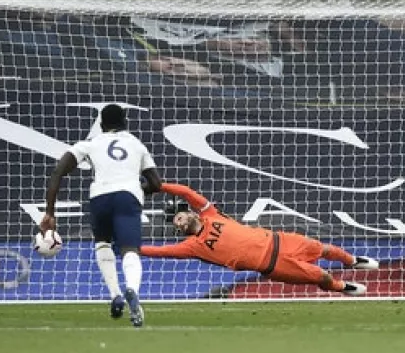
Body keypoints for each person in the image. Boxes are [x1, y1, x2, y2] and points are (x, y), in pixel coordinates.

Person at [39, 104, 162, 328]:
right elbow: (156, 183)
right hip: (128, 196)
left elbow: (58, 171)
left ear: (102, 125)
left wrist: (50, 212)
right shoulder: (137, 145)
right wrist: (138, 188)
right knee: (129, 251)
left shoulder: (90, 143)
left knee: (103, 244)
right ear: (125, 122)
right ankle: (132, 290)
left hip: (100, 197)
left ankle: (115, 295)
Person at [141, 183, 377, 295]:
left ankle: (353, 260)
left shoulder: (211, 214)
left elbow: (186, 192)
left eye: (180, 217)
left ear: (190, 212)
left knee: (323, 248)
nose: (181, 223)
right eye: (177, 225)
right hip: (273, 265)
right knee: (321, 276)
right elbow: (161, 251)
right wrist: (132, 248)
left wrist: (159, 186)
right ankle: (343, 287)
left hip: (279, 240)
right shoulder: (193, 246)